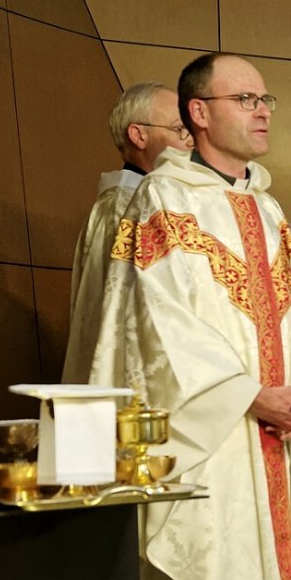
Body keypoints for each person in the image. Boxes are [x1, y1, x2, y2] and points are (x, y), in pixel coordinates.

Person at [92, 53, 291, 580]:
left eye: (267, 98)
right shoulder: (160, 201)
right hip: (212, 442)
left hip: (278, 441)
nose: (263, 110)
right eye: (246, 98)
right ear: (199, 114)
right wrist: (247, 394)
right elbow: (153, 328)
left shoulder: (263, 207)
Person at [62, 81, 191, 383]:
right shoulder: (124, 209)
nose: (191, 141)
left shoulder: (156, 201)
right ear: (139, 135)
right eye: (179, 129)